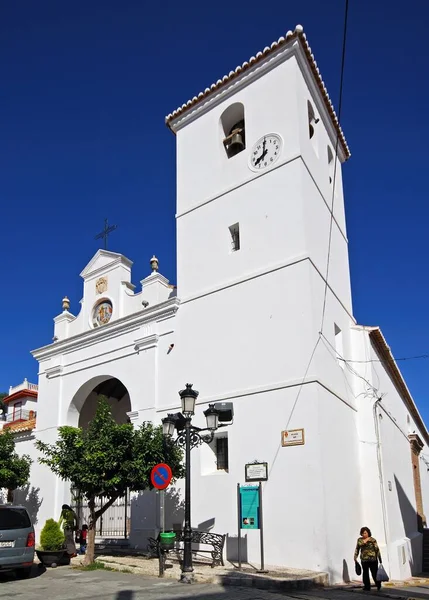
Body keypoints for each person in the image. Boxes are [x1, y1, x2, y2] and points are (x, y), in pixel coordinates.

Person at [354, 526, 382, 591]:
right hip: (364, 560)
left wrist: (380, 558)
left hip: (373, 560)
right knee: (365, 573)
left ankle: (378, 585)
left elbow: (377, 549)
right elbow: (357, 548)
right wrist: (355, 557)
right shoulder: (359, 540)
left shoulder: (373, 540)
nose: (364, 534)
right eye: (363, 533)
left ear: (368, 533)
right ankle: (367, 586)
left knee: (374, 573)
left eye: (365, 533)